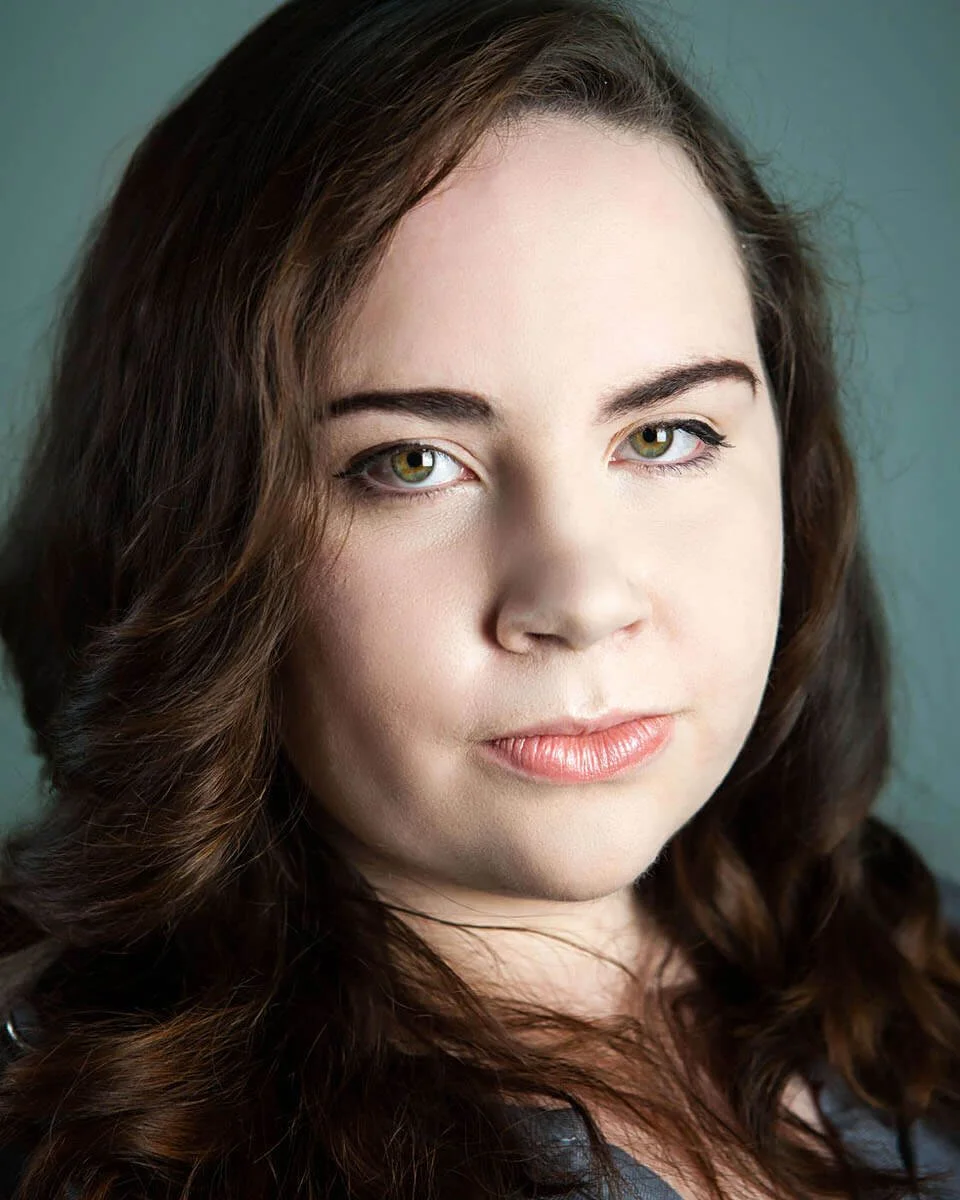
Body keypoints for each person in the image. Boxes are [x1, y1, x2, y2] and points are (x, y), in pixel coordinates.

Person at [0, 0, 958, 1196]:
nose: (580, 597)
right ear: (197, 538)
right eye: (410, 463)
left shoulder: (924, 974)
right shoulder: (96, 1154)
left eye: (665, 434)